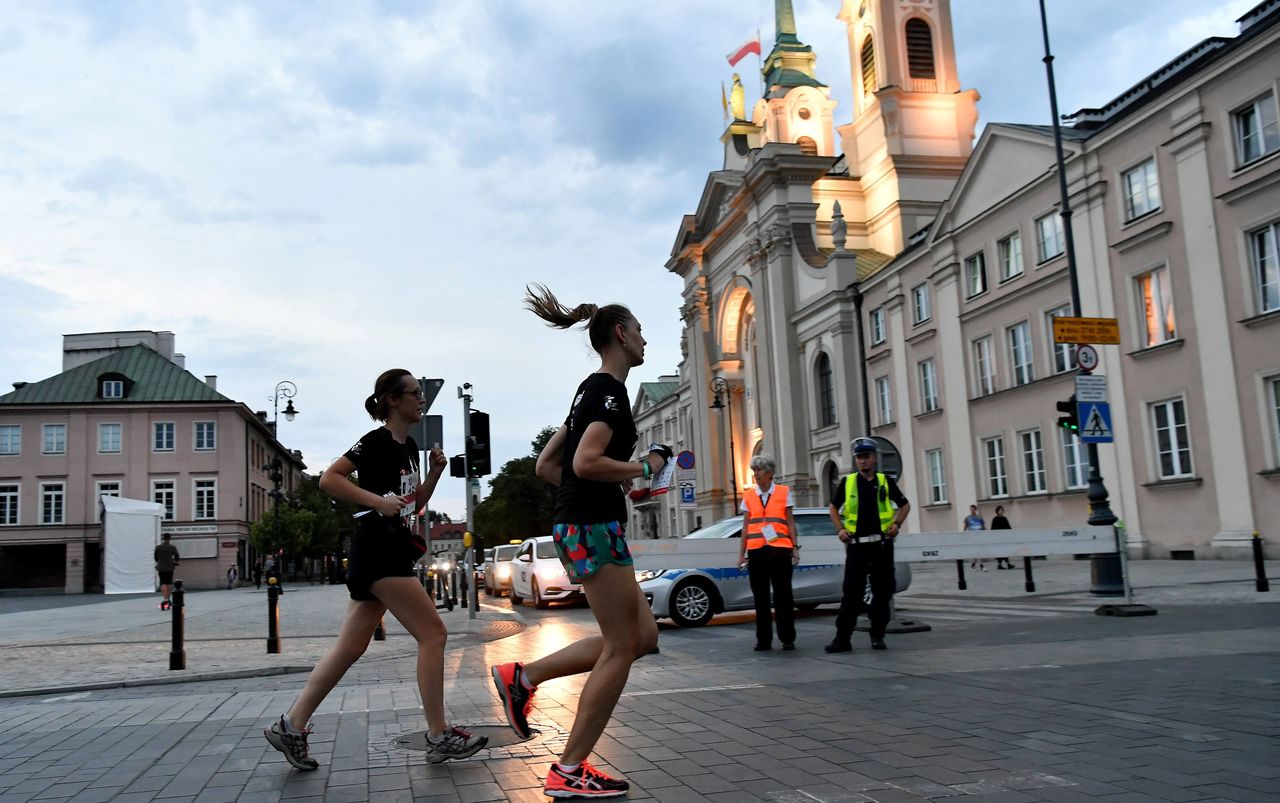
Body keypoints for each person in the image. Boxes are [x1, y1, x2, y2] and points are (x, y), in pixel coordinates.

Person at [490, 284, 667, 799]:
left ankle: (524, 677)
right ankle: (568, 770)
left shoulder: (586, 393)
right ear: (620, 333)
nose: (644, 339)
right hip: (592, 526)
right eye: (639, 331)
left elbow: (552, 467)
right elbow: (586, 463)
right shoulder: (609, 394)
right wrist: (643, 466)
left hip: (583, 522)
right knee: (621, 645)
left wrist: (599, 484)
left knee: (644, 636)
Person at [264, 369, 486, 771]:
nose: (421, 399)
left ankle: (290, 726)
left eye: (421, 393)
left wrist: (434, 473)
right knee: (434, 634)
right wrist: (376, 502)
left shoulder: (407, 446)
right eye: (415, 394)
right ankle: (438, 734)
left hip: (390, 549)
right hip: (380, 551)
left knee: (350, 648)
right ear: (392, 400)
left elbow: (412, 504)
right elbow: (330, 479)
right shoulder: (376, 441)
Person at [826, 437, 910, 653]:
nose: (863, 461)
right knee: (851, 594)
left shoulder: (885, 482)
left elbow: (905, 505)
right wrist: (840, 529)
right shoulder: (848, 482)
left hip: (881, 546)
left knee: (882, 593)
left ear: (874, 458)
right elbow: (833, 508)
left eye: (866, 457)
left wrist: (897, 524)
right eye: (859, 458)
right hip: (857, 546)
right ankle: (842, 639)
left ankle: (877, 635)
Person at [736, 454, 800, 651]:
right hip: (757, 552)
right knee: (760, 598)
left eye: (759, 470)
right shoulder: (749, 496)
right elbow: (745, 527)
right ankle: (763, 640)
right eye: (754, 470)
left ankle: (787, 638)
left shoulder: (783, 492)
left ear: (770, 473)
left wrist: (795, 548)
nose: (756, 474)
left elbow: (790, 521)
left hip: (780, 550)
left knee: (783, 596)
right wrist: (741, 554)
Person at [154, 533, 180, 610]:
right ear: (169, 538)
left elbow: (155, 558)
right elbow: (177, 557)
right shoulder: (172, 547)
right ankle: (168, 599)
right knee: (168, 583)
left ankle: (165, 599)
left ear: (163, 538)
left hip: (161, 567)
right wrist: (173, 561)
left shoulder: (158, 547)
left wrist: (160, 561)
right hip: (169, 567)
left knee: (162, 583)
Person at [991, 505, 1015, 569]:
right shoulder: (995, 519)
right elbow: (993, 528)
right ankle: (1005, 564)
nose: (1001, 511)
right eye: (1000, 510)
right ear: (997, 511)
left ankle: (1001, 564)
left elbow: (1008, 527)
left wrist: (1011, 533)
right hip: (998, 538)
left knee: (1005, 551)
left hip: (1004, 537)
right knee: (1001, 551)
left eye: (1002, 510)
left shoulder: (1004, 518)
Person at [963, 504, 986, 571]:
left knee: (978, 551)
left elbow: (983, 527)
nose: (972, 511)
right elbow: (965, 527)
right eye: (971, 509)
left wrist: (984, 534)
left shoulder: (979, 517)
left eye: (973, 509)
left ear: (975, 510)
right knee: (978, 551)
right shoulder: (968, 518)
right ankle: (981, 566)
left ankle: (973, 564)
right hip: (972, 537)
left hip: (979, 536)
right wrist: (965, 535)